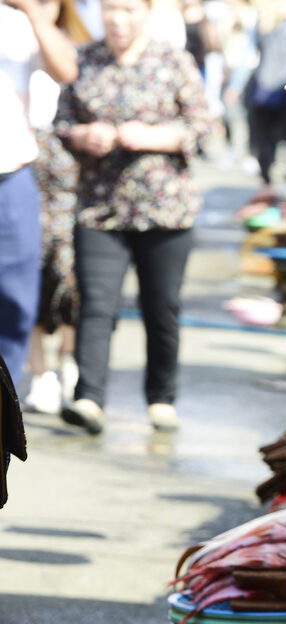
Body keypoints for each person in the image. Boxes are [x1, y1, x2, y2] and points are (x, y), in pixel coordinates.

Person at [55, 0, 211, 434]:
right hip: (100, 209)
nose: (118, 19)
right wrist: (82, 135)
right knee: (96, 306)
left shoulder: (172, 61)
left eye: (127, 9)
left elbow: (202, 126)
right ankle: (89, 398)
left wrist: (156, 137)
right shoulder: (84, 60)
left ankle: (162, 398)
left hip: (165, 210)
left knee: (161, 307)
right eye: (110, 9)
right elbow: (61, 123)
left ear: (145, 12)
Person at [0, 0, 77, 389]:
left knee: (15, 301)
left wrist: (32, 10)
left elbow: (66, 69)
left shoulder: (18, 22)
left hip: (10, 175)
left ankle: (3, 413)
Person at [24, 0, 91, 416]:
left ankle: (69, 362)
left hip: (70, 172)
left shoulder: (78, 48)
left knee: (71, 275)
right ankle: (38, 372)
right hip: (23, 166)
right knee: (23, 273)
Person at [246, 0, 286, 185]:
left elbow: (249, 58)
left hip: (263, 89)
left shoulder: (259, 27)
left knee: (265, 137)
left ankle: (267, 172)